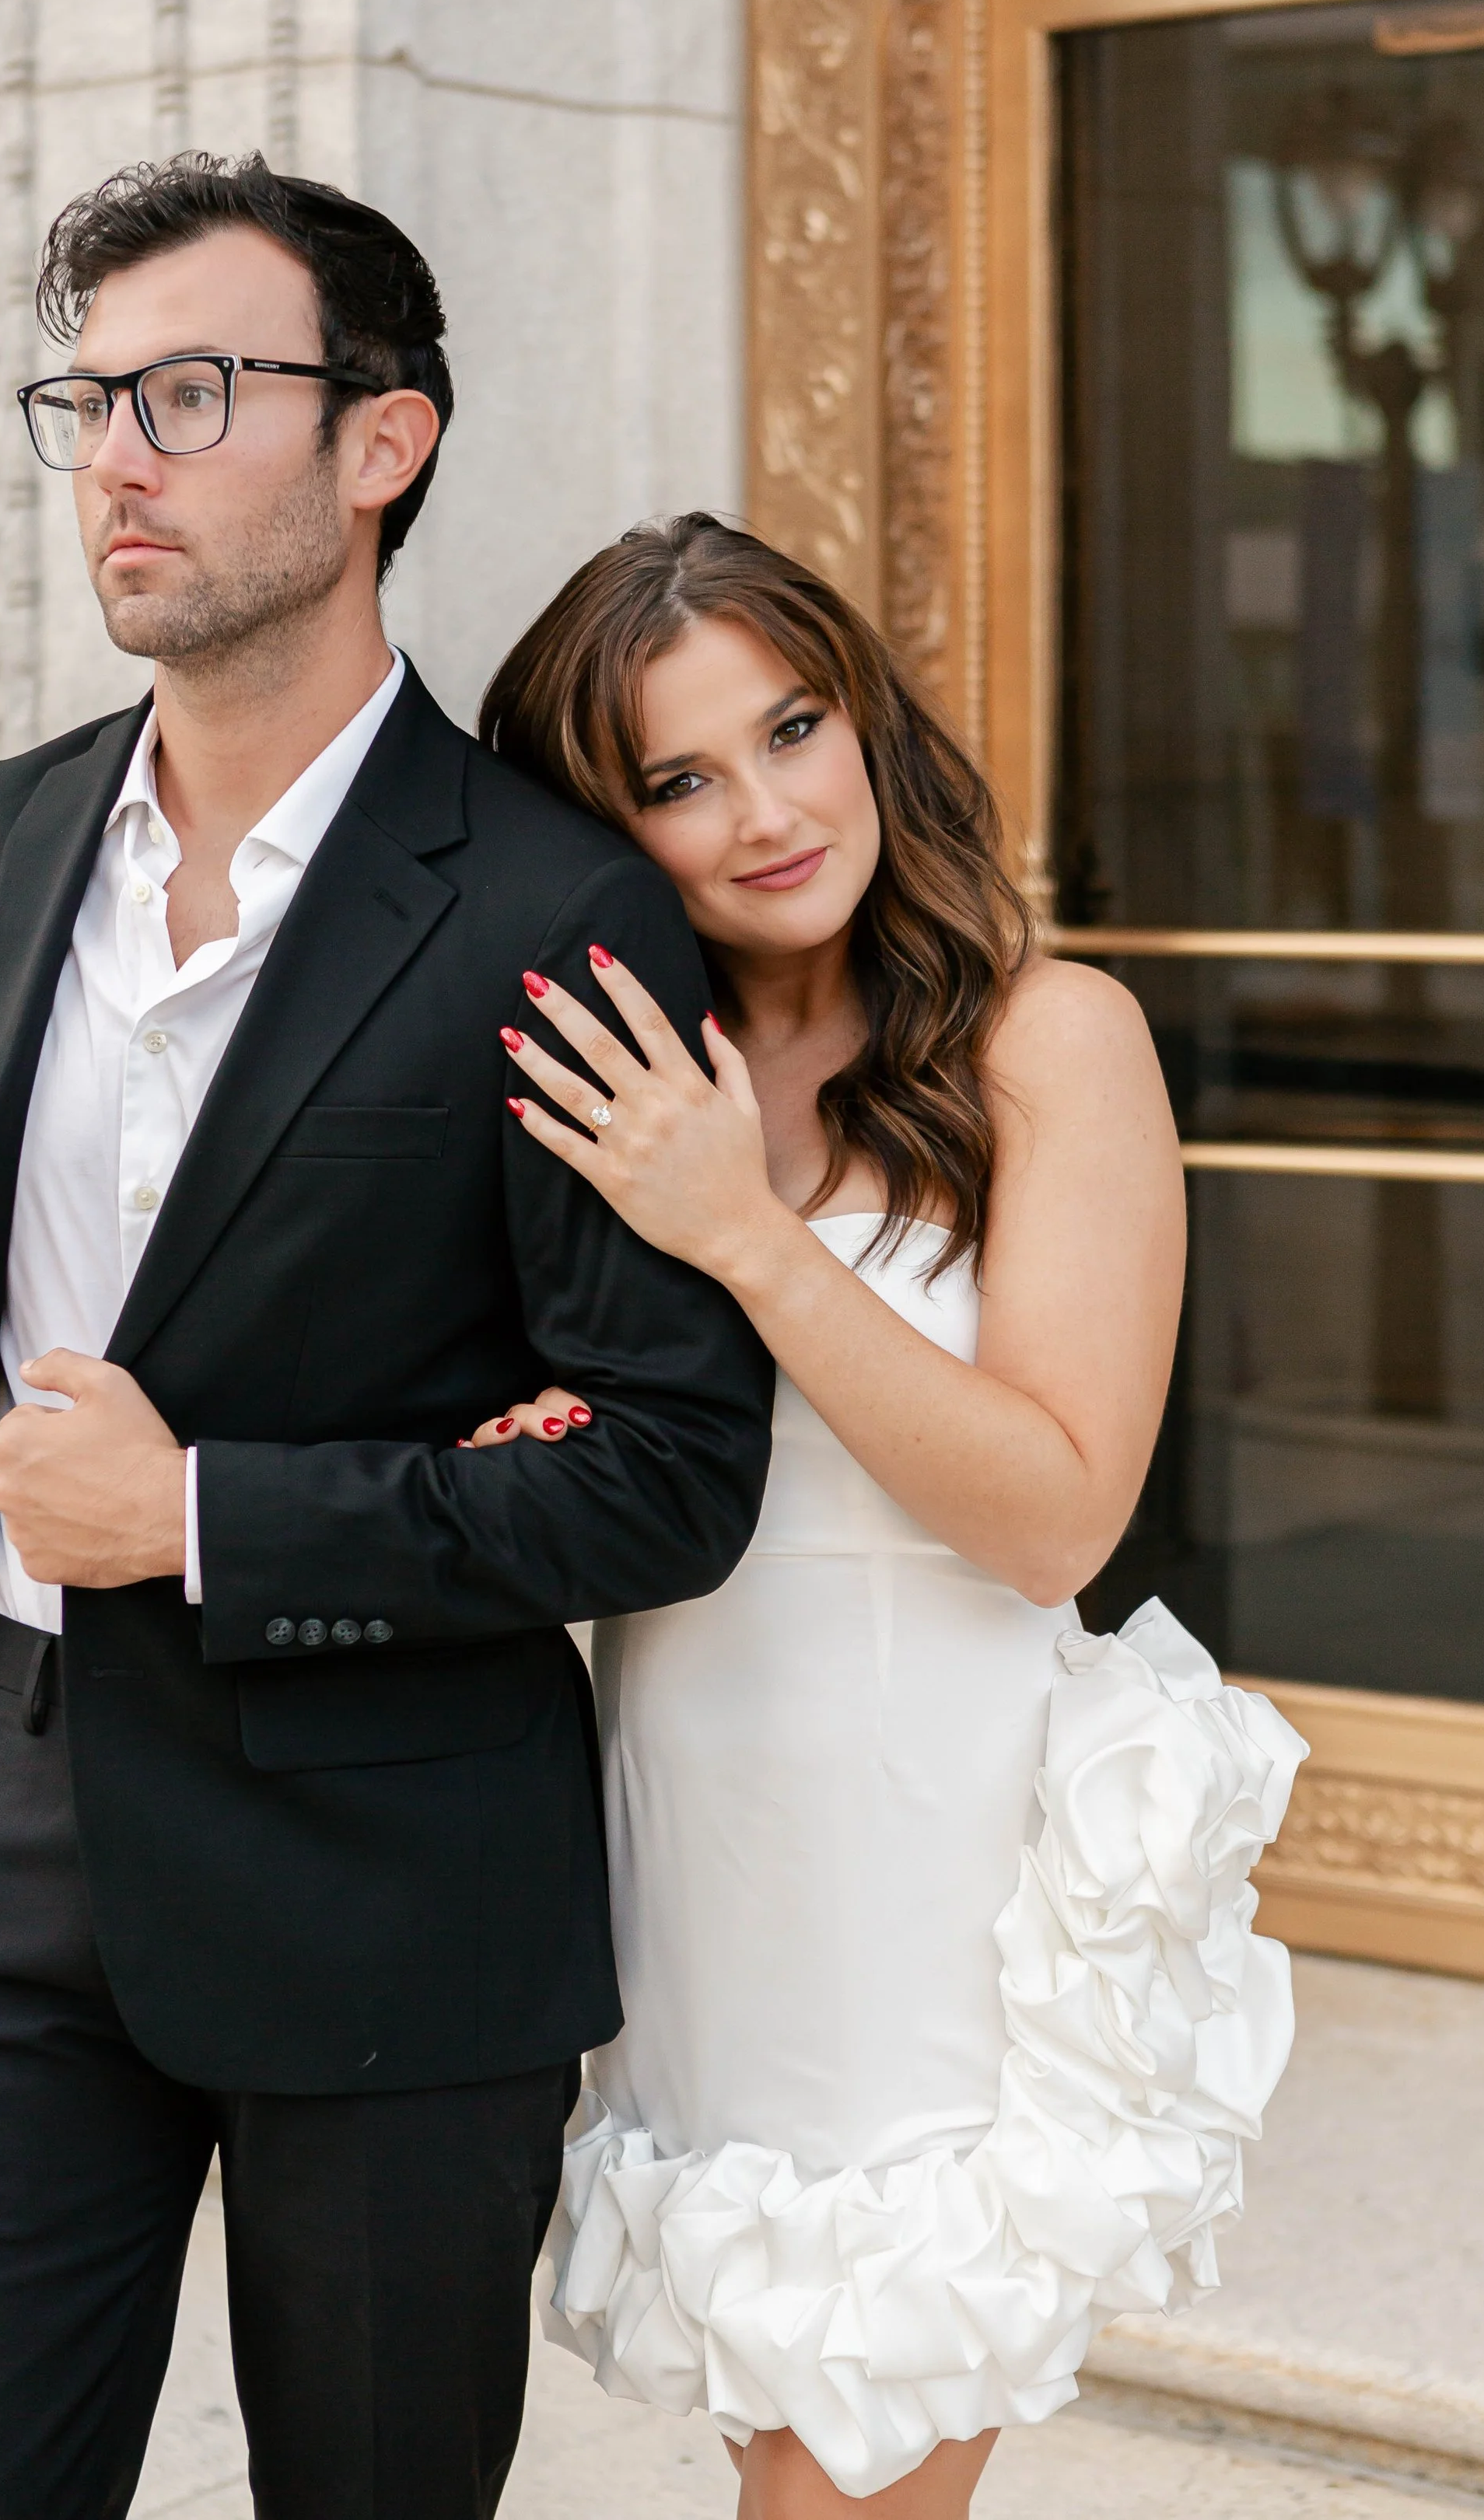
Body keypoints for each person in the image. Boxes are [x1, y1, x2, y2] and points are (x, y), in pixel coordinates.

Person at [0, 163, 775, 2520]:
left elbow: (663, 1454)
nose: (114, 459)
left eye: (187, 393)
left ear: (382, 445)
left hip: (388, 1879)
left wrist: (199, 1515)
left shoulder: (553, 904)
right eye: (87, 400)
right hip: (5, 1823)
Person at [467, 515, 1307, 2518]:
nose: (765, 810)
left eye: (794, 729)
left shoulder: (1046, 1040)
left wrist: (748, 1239)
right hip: (685, 1828)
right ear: (602, 818)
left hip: (927, 1853)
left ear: (870, 727)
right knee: (787, 2434)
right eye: (680, 777)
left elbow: (1056, 1515)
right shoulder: (619, 1065)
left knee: (853, 2460)